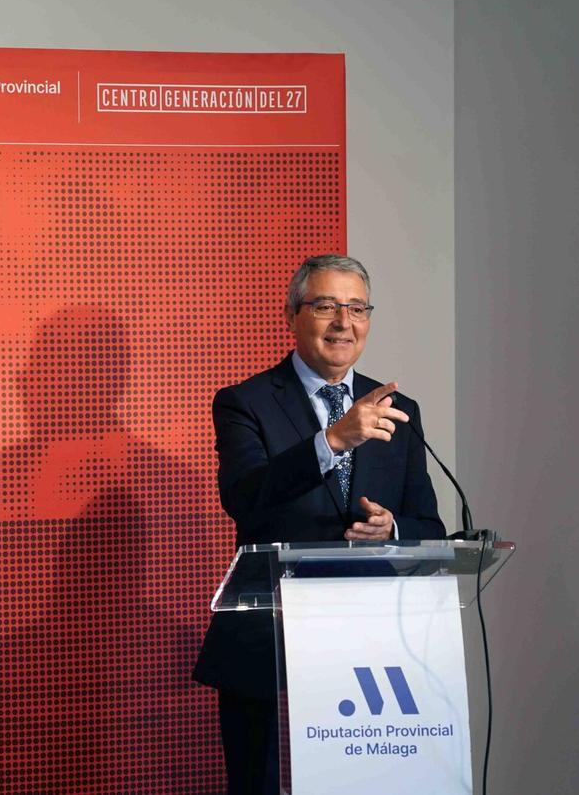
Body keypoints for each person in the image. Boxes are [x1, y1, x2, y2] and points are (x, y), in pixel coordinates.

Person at [191, 254, 446, 794]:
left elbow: (429, 523)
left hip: (372, 650)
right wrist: (332, 441)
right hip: (268, 642)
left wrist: (393, 529)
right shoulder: (245, 402)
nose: (343, 323)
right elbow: (245, 498)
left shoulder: (398, 409)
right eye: (326, 306)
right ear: (292, 315)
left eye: (357, 308)